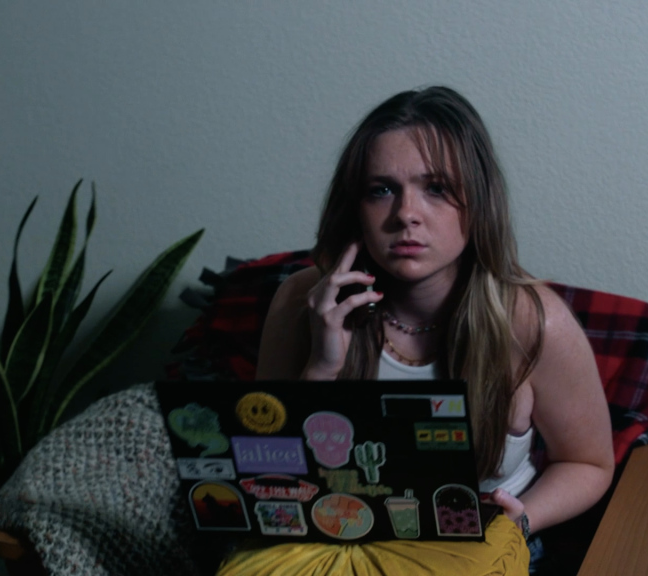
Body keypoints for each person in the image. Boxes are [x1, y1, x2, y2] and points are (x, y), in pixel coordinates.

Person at [217, 86, 614, 575]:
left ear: (479, 201)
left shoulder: (533, 321)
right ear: (355, 207)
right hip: (333, 535)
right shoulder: (303, 301)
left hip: (473, 547)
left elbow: (589, 463)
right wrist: (321, 366)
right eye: (381, 190)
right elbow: (268, 474)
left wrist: (522, 520)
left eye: (437, 188)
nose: (406, 213)